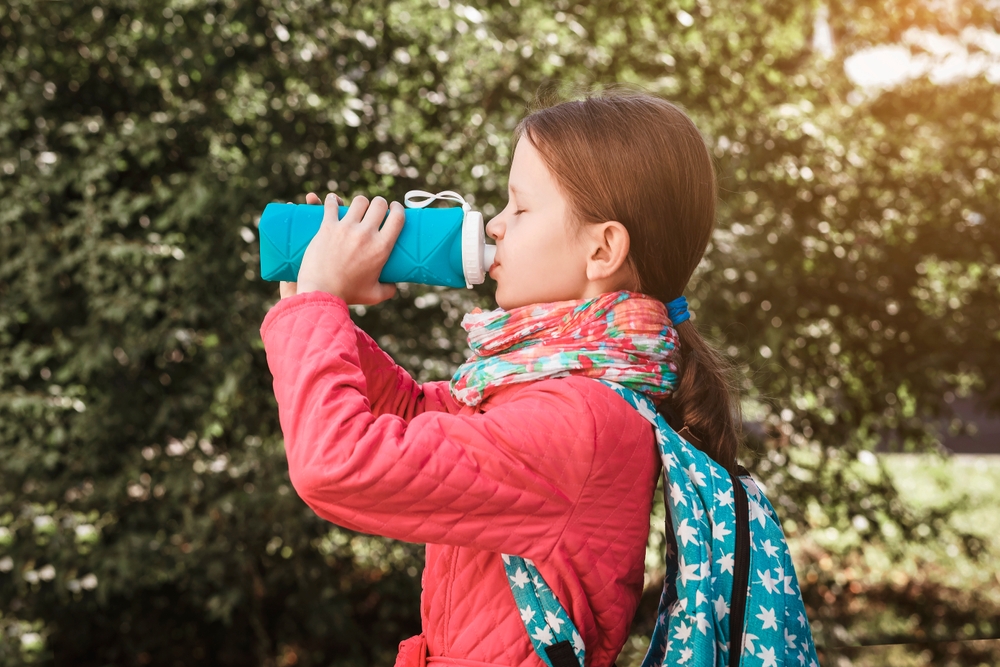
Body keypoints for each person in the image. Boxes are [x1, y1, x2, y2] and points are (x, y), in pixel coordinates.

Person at [260, 90, 741, 667]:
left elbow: (336, 464)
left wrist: (318, 304)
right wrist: (314, 301)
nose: (494, 225)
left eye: (520, 208)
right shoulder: (552, 387)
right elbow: (409, 417)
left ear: (603, 249)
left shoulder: (579, 422)